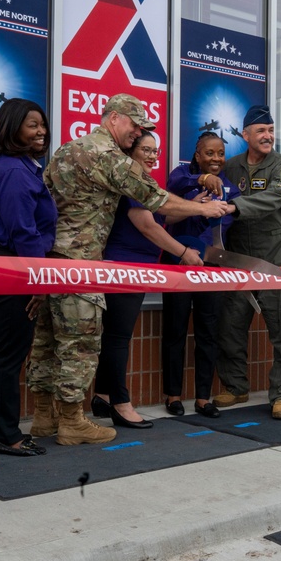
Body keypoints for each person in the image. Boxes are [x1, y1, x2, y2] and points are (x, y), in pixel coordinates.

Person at [26, 93, 228, 446]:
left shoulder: (65, 150)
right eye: (135, 126)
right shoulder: (108, 156)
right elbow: (153, 197)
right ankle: (72, 422)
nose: (138, 134)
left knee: (47, 342)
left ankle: (45, 418)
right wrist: (203, 211)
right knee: (79, 344)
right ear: (114, 118)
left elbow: (45, 204)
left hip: (52, 261)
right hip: (82, 263)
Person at [91, 132, 207, 429]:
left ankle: (103, 395)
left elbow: (161, 221)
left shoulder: (144, 182)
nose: (154, 156)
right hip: (125, 266)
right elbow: (145, 226)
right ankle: (120, 403)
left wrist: (193, 204)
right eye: (147, 149)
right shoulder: (131, 180)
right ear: (131, 150)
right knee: (118, 338)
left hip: (139, 267)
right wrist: (183, 252)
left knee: (115, 335)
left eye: (157, 151)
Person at [0, 99, 55, 456]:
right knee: (9, 355)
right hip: (12, 267)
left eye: (42, 125)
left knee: (0, 353)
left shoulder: (19, 168)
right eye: (32, 125)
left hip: (6, 265)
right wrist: (38, 281)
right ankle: (8, 436)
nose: (41, 132)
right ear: (12, 129)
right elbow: (23, 231)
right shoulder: (16, 172)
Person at [212, 105, 281, 420]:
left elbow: (273, 198)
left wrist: (233, 206)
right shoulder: (232, 166)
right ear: (246, 135)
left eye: (271, 130)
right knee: (231, 325)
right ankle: (236, 387)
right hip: (239, 259)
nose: (268, 136)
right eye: (261, 131)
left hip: (276, 257)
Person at [160, 132, 241, 418]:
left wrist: (201, 250)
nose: (216, 159)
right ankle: (173, 395)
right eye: (209, 153)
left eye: (220, 153)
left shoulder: (230, 190)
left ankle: (204, 397)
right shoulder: (182, 175)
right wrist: (201, 180)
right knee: (175, 331)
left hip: (210, 268)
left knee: (208, 332)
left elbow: (222, 226)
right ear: (197, 155)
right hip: (177, 264)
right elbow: (171, 187)